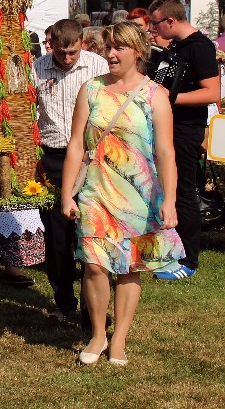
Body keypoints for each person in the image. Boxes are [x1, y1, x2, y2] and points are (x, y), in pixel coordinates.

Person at [62, 22, 184, 366]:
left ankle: (120, 339)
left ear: (138, 52)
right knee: (94, 266)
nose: (111, 54)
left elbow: (166, 152)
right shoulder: (91, 90)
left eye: (119, 48)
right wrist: (66, 194)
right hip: (94, 192)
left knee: (130, 268)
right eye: (108, 47)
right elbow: (75, 144)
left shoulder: (154, 95)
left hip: (138, 197)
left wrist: (170, 200)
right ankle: (99, 334)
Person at [31, 19, 109, 322]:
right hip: (54, 154)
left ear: (82, 44)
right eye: (61, 54)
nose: (67, 59)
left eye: (73, 53)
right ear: (52, 45)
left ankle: (94, 303)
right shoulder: (37, 68)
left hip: (91, 154)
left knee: (91, 228)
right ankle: (63, 298)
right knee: (58, 232)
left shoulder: (97, 65)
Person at [148, 0, 220, 279]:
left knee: (184, 193)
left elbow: (213, 93)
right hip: (167, 127)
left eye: (155, 24)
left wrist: (170, 98)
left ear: (170, 20)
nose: (153, 29)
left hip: (186, 130)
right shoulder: (176, 45)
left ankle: (188, 260)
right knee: (166, 189)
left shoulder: (200, 48)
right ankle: (168, 249)